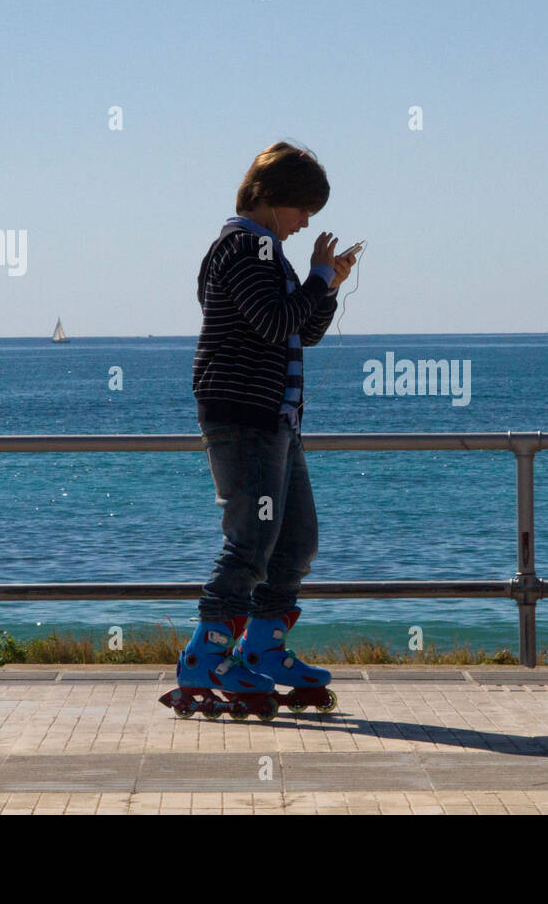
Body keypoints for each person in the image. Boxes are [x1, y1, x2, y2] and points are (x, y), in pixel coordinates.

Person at [172, 141, 356, 720]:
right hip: (245, 415)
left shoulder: (263, 251)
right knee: (251, 541)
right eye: (303, 210)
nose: (306, 224)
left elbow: (302, 330)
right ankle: (207, 655)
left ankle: (263, 647)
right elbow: (278, 322)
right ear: (274, 200)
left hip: (277, 419)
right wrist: (318, 279)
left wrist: (326, 283)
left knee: (296, 540)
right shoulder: (246, 247)